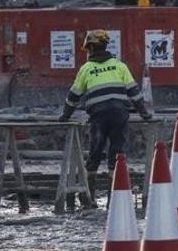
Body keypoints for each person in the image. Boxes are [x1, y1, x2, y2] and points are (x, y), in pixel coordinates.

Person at [59, 30, 152, 192]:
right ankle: (114, 197)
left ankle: (89, 197)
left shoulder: (86, 69)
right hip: (119, 114)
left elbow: (74, 96)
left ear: (91, 49)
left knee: (95, 152)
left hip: (99, 116)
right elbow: (134, 93)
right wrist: (144, 113)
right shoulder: (119, 66)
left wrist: (65, 116)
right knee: (117, 153)